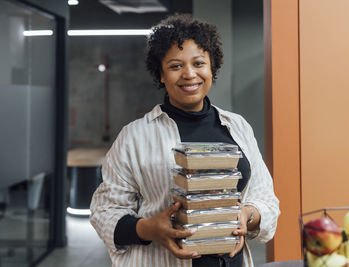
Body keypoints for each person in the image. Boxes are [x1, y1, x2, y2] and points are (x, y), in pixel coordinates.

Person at [90, 14, 280, 267]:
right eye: (176, 66)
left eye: (199, 63)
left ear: (212, 67)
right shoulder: (134, 136)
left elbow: (266, 200)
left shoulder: (238, 127)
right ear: (161, 74)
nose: (190, 74)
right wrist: (148, 228)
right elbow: (104, 213)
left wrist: (248, 214)